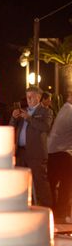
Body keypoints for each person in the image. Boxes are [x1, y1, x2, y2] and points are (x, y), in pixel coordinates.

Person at [10, 86, 53, 207]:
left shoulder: (46, 112)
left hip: (36, 154)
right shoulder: (23, 111)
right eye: (27, 96)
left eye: (31, 96)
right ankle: (21, 207)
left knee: (40, 182)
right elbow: (11, 127)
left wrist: (29, 118)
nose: (28, 99)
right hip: (21, 153)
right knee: (19, 182)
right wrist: (13, 117)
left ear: (38, 97)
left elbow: (45, 127)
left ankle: (47, 209)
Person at [47, 90, 72, 220]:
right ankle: (61, 214)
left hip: (53, 152)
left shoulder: (64, 109)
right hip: (63, 154)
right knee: (66, 185)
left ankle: (54, 213)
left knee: (53, 183)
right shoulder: (70, 111)